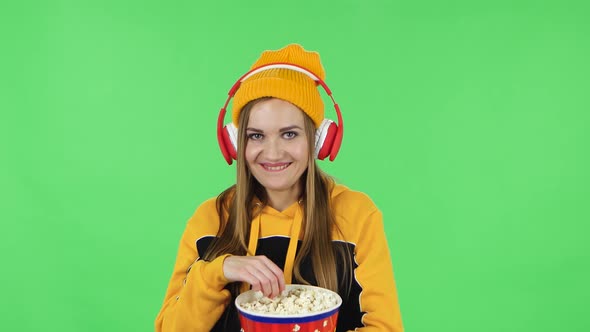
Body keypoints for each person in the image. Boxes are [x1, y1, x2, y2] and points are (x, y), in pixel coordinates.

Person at [155, 44, 403, 331]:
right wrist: (218, 272)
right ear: (236, 143)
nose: (272, 153)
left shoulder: (357, 215)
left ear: (318, 139)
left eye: (289, 134)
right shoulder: (210, 219)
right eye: (256, 135)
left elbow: (386, 327)